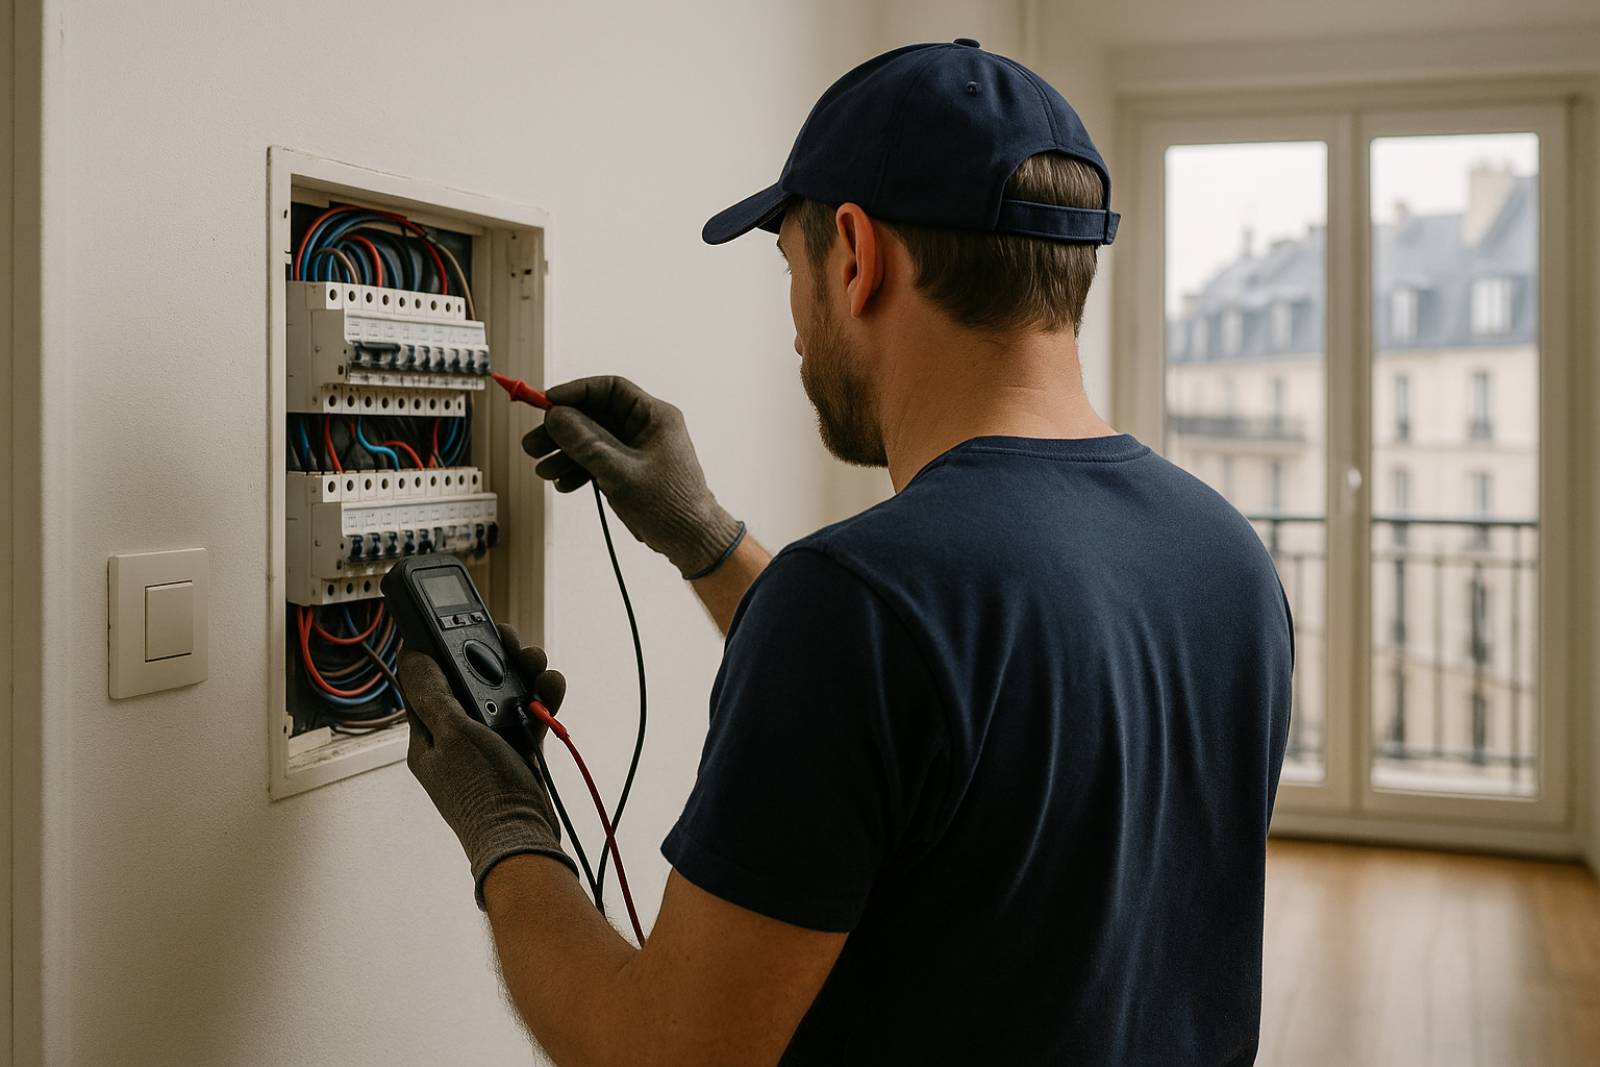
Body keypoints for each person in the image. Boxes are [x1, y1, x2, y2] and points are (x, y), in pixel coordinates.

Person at [398, 38, 1293, 1067]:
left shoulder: (854, 606)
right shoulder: (1224, 552)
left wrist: (504, 820)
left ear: (856, 255)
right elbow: (950, 720)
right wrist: (705, 535)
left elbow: (657, 1053)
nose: (792, 325)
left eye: (791, 267)